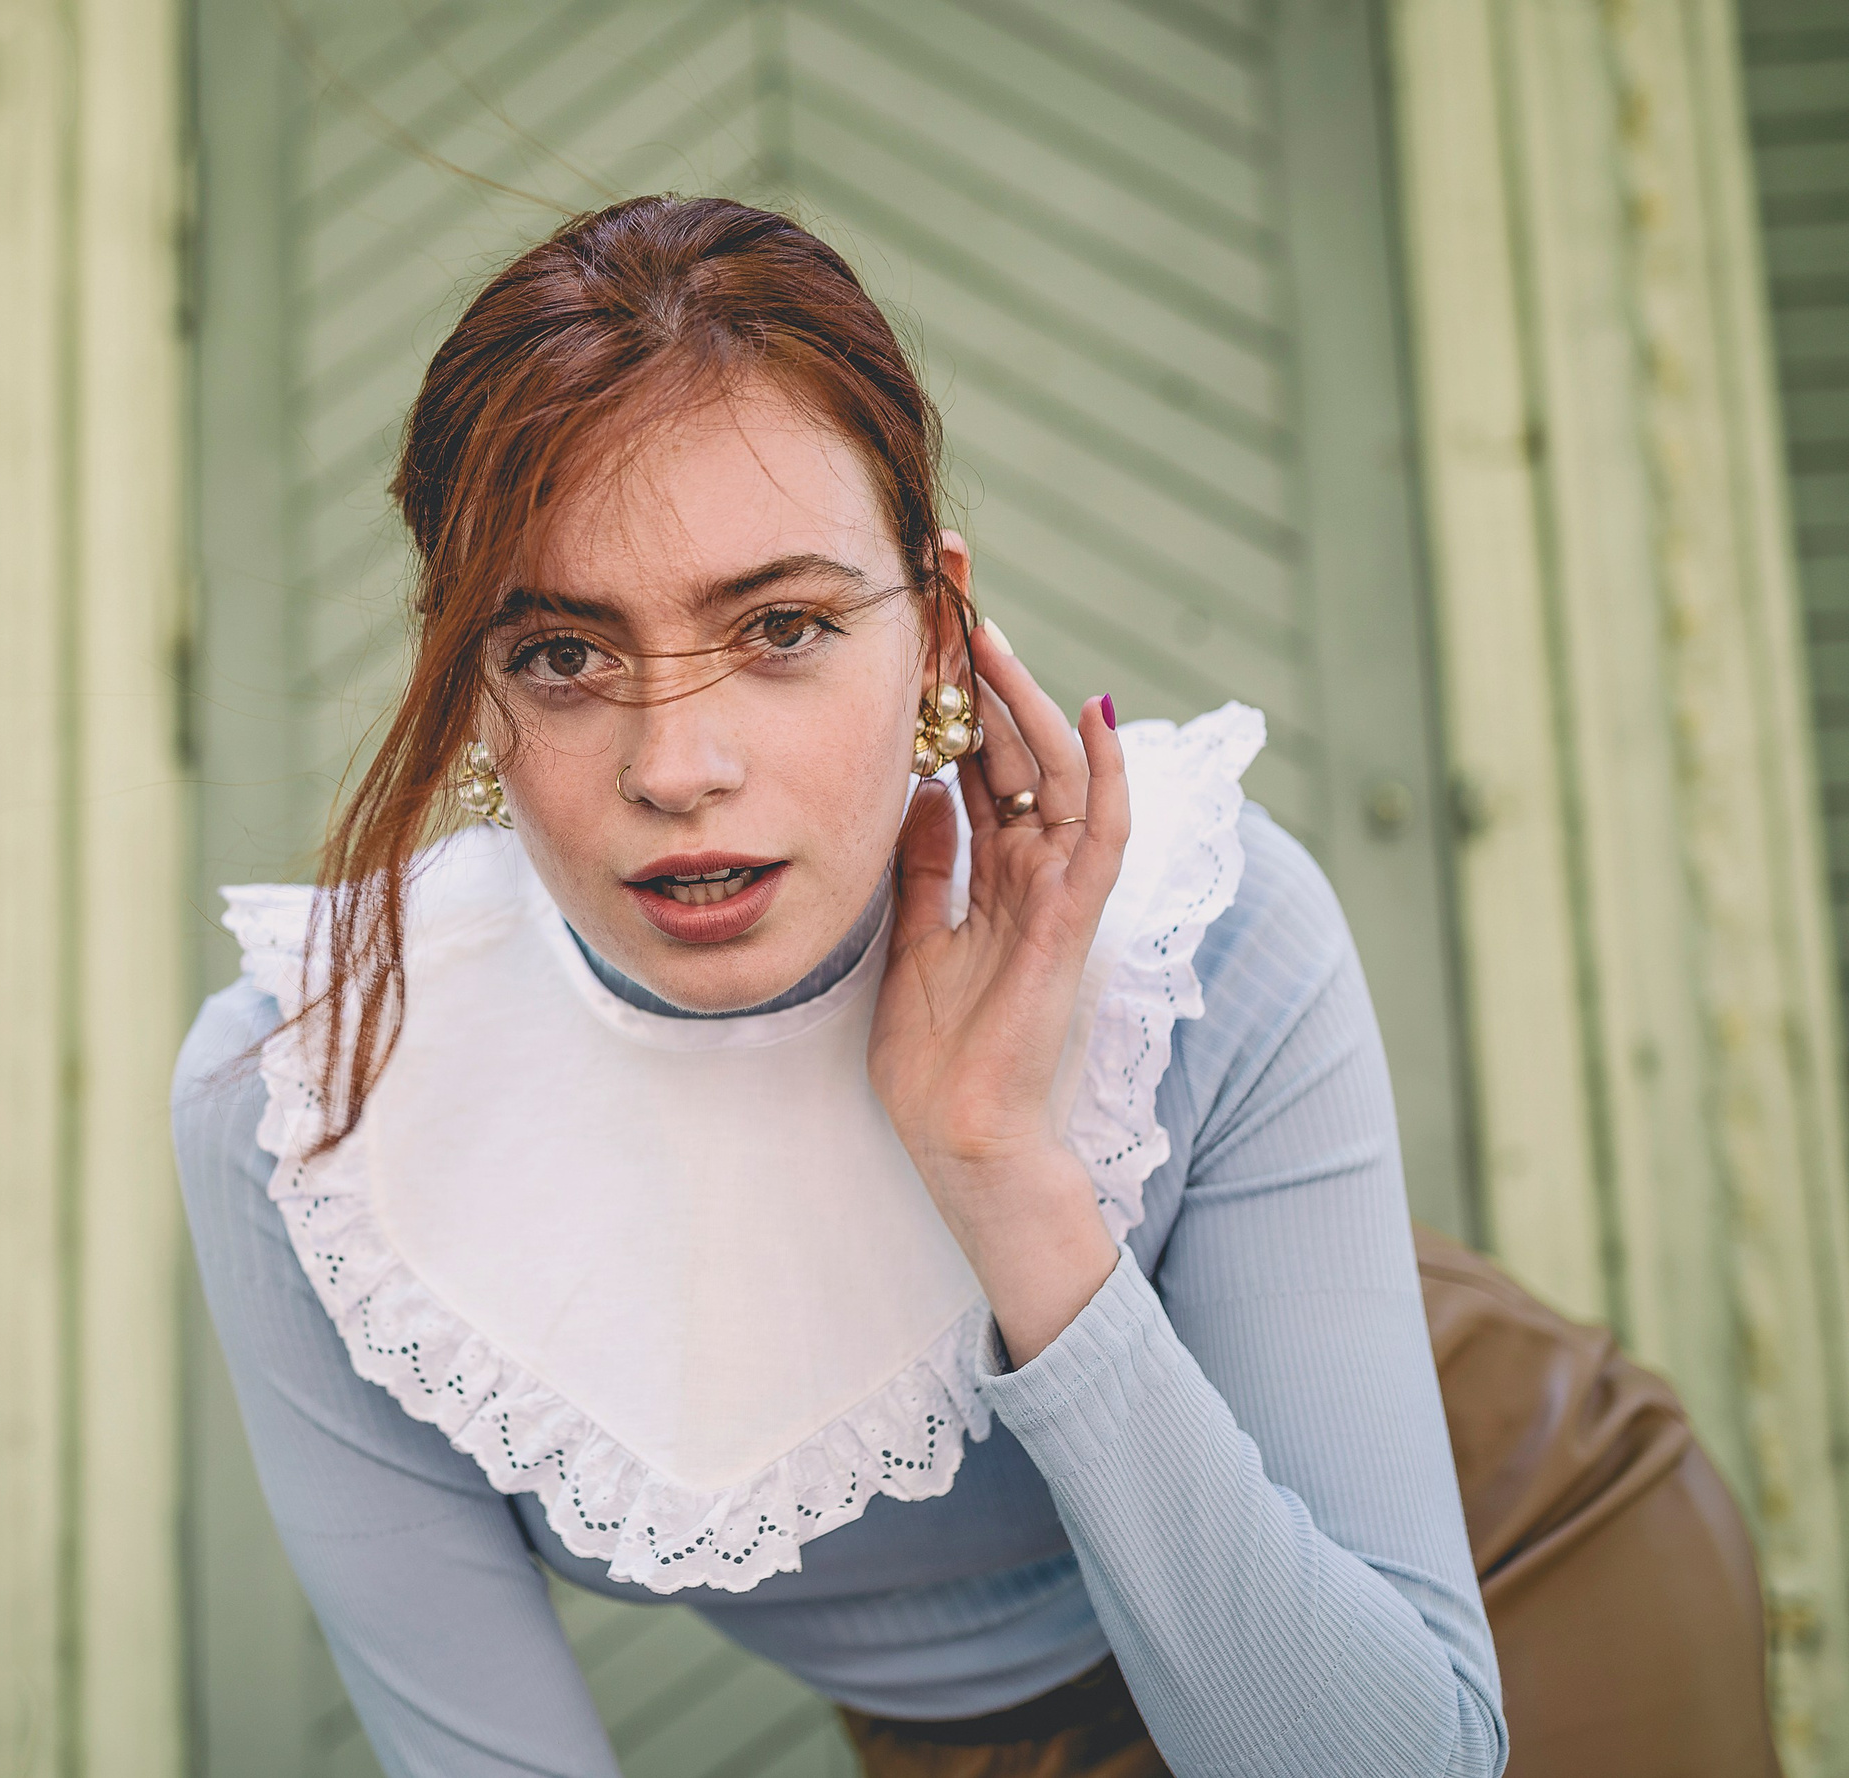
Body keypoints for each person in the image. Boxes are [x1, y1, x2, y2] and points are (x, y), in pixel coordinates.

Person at [174, 195, 1766, 1776]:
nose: (677, 768)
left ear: (937, 625)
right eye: (563, 657)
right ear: (468, 677)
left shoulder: (1201, 931)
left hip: (1473, 1604)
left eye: (782, 625)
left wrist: (1003, 1165)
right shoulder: (310, 1107)